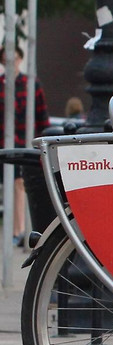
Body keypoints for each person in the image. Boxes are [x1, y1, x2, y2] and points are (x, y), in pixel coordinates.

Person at [0, 46, 49, 247]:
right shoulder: (1, 85)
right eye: (6, 60)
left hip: (25, 141)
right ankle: (17, 229)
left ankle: (19, 230)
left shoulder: (30, 84)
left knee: (19, 184)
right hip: (4, 143)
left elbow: (42, 115)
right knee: (12, 186)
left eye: (15, 59)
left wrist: (43, 141)